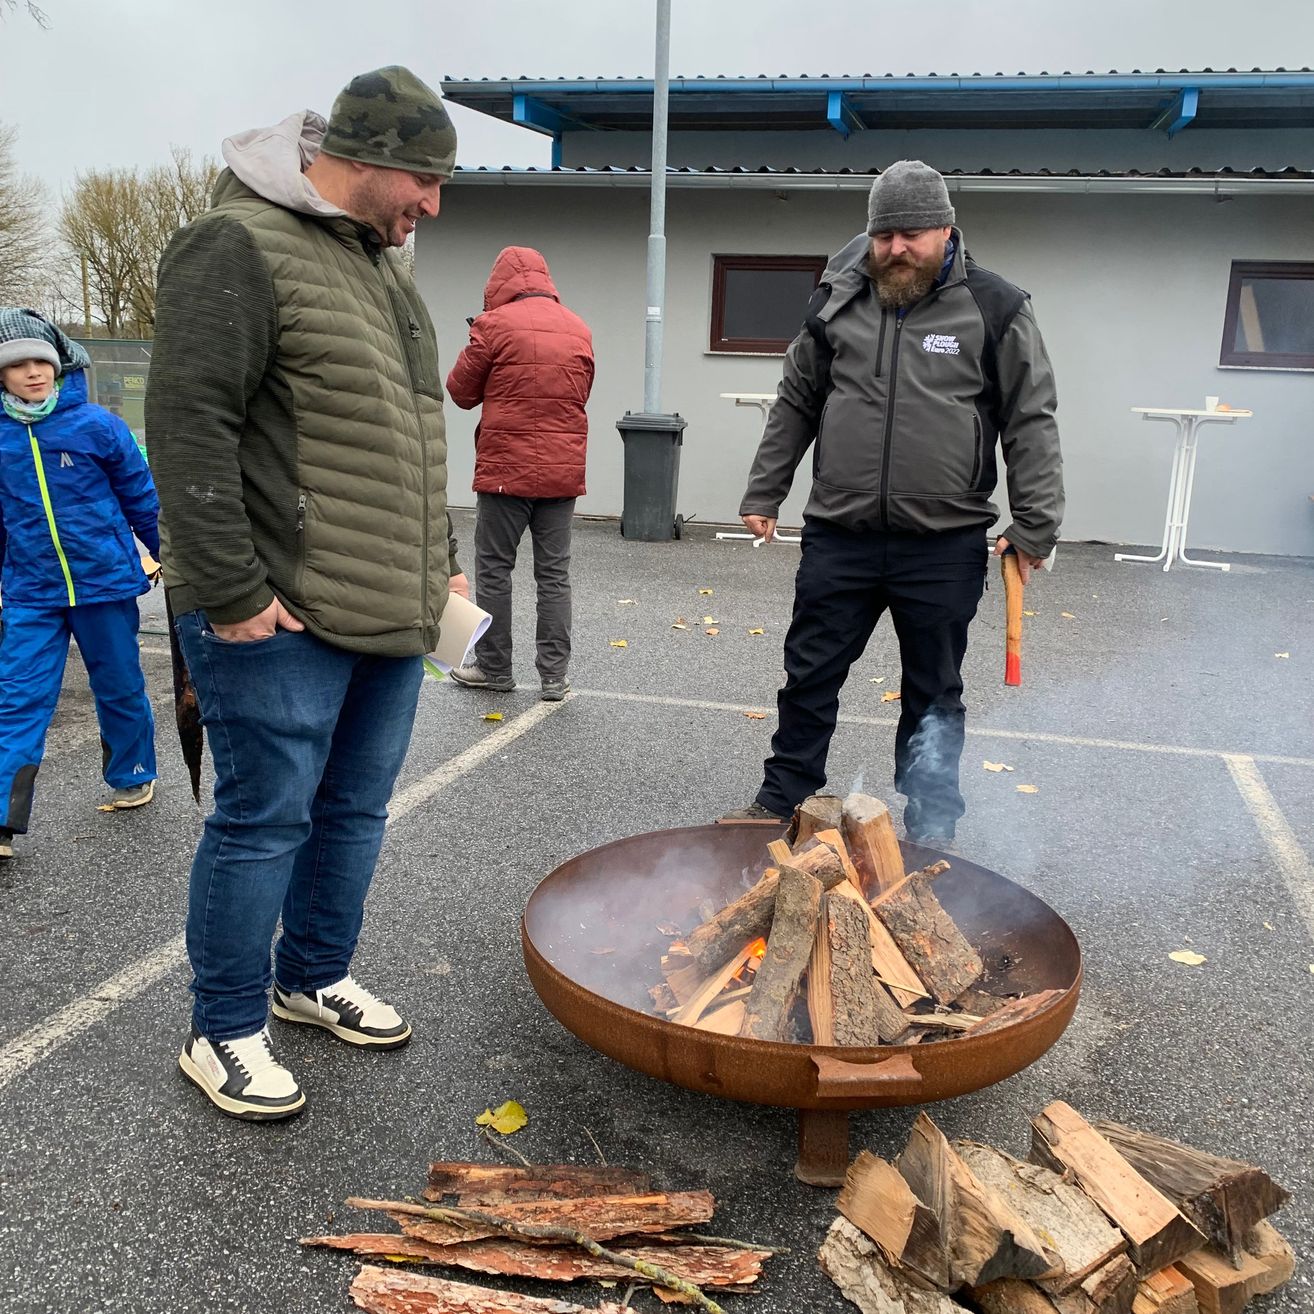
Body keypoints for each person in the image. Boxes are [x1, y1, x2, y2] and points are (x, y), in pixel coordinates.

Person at [146, 66, 468, 1121]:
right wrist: (231, 591)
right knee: (261, 822)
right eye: (423, 181)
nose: (431, 205)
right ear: (366, 160)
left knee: (355, 813)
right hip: (275, 607)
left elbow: (415, 437)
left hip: (389, 605)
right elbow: (190, 426)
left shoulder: (383, 269)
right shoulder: (233, 245)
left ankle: (309, 976)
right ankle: (224, 1026)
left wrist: (444, 562)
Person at [726, 160, 1063, 844]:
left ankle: (932, 822)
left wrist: (1035, 523)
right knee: (809, 673)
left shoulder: (996, 307)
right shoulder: (835, 300)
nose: (896, 250)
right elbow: (797, 399)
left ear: (946, 230)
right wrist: (766, 489)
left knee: (934, 692)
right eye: (884, 236)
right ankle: (782, 797)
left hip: (943, 541)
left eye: (911, 234)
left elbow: (1031, 417)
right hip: (839, 534)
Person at [0, 309, 159, 862]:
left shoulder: (98, 426)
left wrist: (176, 562)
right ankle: (4, 815)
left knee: (118, 685)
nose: (32, 373)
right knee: (18, 697)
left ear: (59, 364)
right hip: (29, 592)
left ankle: (133, 771)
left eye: (40, 361)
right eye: (17, 365)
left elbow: (143, 500)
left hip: (105, 585)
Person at [445, 247, 594, 701]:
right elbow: (581, 392)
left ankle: (494, 669)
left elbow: (459, 391)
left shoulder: (492, 327)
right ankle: (554, 676)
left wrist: (477, 334)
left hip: (504, 472)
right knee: (554, 575)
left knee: (494, 569)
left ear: (499, 284)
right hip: (561, 473)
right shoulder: (578, 328)